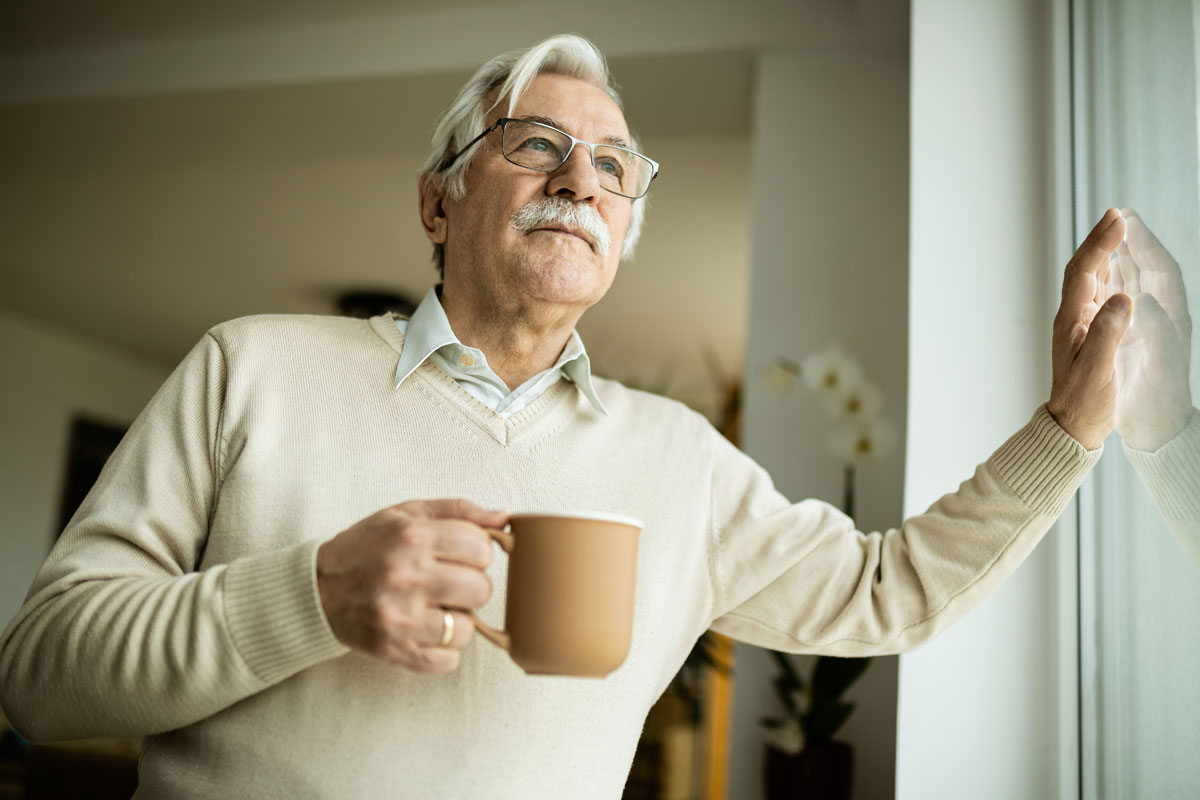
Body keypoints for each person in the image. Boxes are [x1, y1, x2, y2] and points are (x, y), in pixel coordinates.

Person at [0, 34, 1194, 799]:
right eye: (538, 146)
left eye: (615, 168)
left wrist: (1074, 420)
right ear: (439, 197)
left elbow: (893, 590)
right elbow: (43, 678)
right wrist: (308, 595)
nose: (583, 179)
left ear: (624, 228)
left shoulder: (678, 457)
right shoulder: (247, 369)